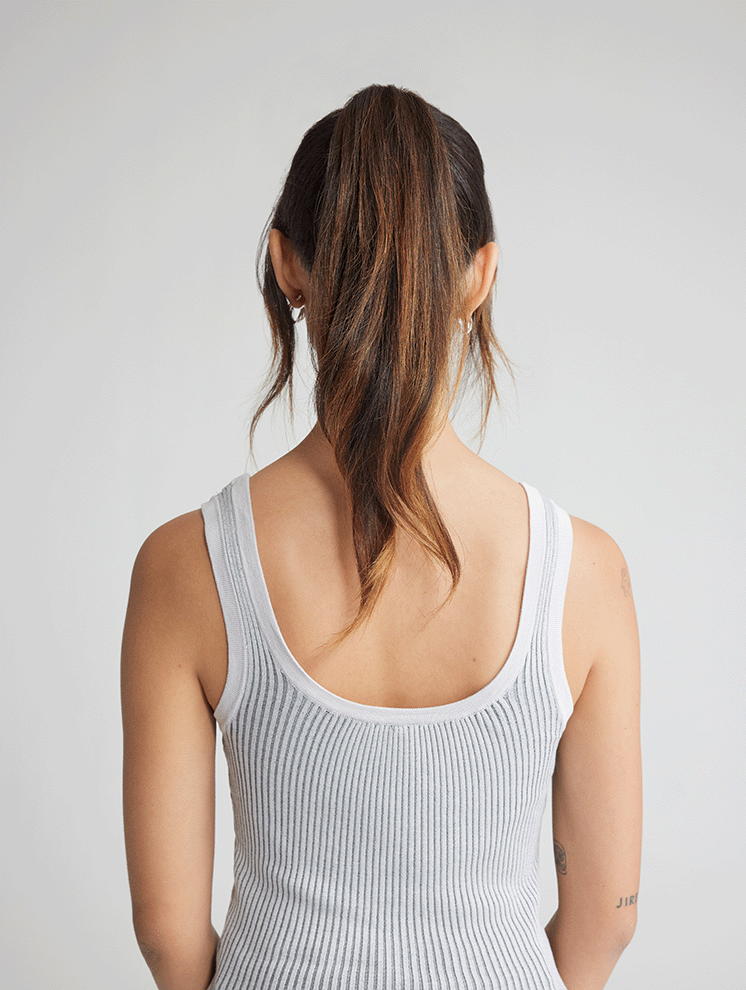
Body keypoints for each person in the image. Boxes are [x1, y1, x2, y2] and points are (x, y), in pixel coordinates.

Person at [121, 83, 642, 990]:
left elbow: (168, 934)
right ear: (480, 275)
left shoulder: (186, 566)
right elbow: (607, 915)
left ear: (288, 264)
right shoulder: (584, 572)